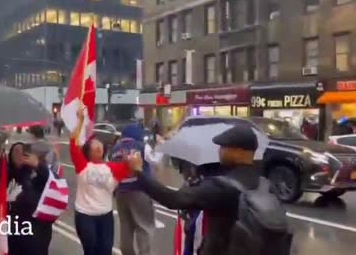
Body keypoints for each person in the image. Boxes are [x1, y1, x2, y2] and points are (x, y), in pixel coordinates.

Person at [127, 126, 291, 255]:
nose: (220, 151)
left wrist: (138, 172)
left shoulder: (222, 186)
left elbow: (173, 199)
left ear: (239, 151)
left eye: (224, 147)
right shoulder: (265, 184)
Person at [70, 105, 137, 255]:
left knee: (105, 250)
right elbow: (74, 144)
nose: (97, 146)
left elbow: (131, 168)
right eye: (93, 146)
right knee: (91, 248)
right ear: (88, 151)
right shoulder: (83, 166)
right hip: (85, 215)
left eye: (99, 144)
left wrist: (131, 162)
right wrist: (80, 121)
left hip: (105, 216)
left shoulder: (113, 168)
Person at [110, 124, 159, 255]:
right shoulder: (141, 147)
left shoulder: (115, 149)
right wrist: (161, 146)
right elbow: (156, 160)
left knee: (126, 228)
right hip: (140, 190)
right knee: (144, 228)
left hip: (121, 192)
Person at [7, 142, 53, 255]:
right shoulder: (6, 174)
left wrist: (38, 164)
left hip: (37, 229)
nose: (19, 154)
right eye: (16, 151)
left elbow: (51, 180)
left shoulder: (36, 173)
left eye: (23, 151)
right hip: (14, 229)